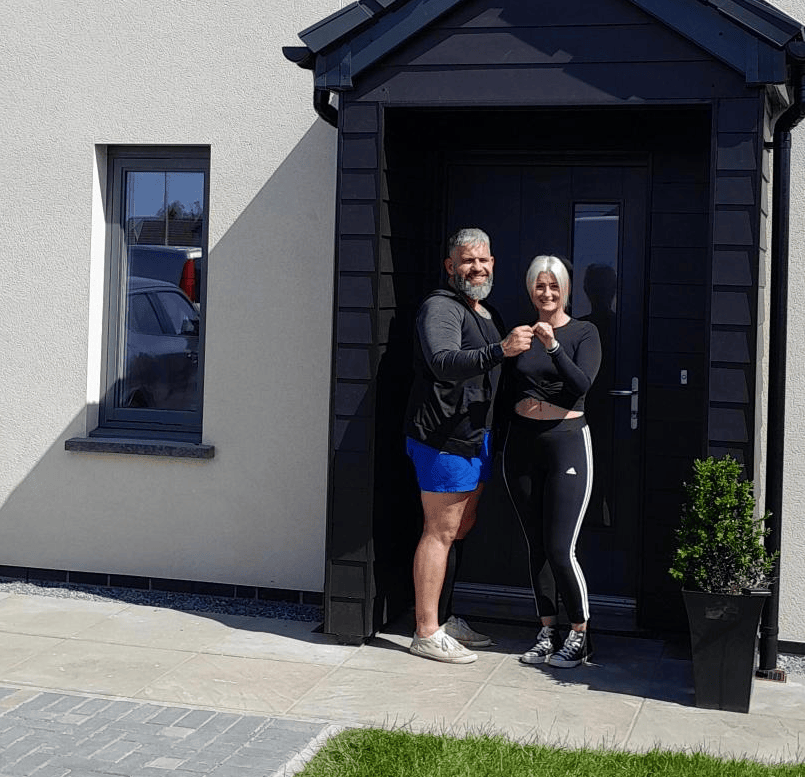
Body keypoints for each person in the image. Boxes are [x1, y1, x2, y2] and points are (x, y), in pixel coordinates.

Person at [405, 228, 535, 664]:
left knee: (460, 528)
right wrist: (500, 350)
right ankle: (425, 631)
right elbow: (442, 362)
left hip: (476, 438)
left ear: (493, 263)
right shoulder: (440, 307)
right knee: (439, 531)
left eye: (483, 260)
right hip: (443, 438)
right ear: (450, 266)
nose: (476, 268)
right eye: (467, 261)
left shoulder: (486, 311)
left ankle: (443, 616)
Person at [501, 255, 601, 668]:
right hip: (523, 443)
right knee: (537, 546)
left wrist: (553, 346)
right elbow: (504, 386)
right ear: (530, 289)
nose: (547, 293)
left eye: (554, 286)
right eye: (540, 286)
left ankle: (580, 634)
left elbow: (582, 384)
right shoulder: (520, 333)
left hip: (566, 443)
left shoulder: (584, 331)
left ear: (566, 290)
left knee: (562, 548)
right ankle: (547, 630)